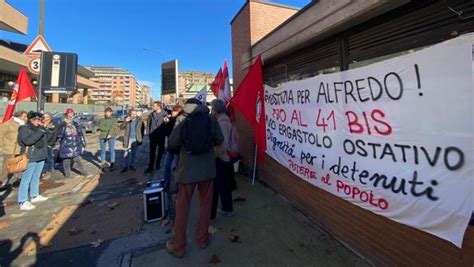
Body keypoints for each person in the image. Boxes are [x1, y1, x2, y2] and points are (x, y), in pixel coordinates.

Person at [166, 98, 224, 258]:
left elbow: (172, 144)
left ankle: (178, 245)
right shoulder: (210, 119)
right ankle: (203, 239)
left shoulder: (182, 119)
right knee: (205, 205)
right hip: (206, 170)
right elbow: (220, 140)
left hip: (187, 170)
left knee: (182, 207)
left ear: (187, 105)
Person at [17, 112, 52, 211]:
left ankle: (34, 195)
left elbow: (48, 140)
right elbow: (28, 141)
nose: (39, 121)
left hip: (40, 155)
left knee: (36, 177)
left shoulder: (39, 129)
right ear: (31, 120)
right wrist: (40, 131)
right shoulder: (24, 129)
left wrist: (47, 130)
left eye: (40, 120)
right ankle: (22, 200)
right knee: (26, 179)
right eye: (37, 120)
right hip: (30, 157)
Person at [210, 99, 234, 220]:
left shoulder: (222, 123)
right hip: (222, 158)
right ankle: (227, 208)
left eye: (212, 108)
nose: (211, 111)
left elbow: (222, 143)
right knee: (224, 185)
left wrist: (214, 155)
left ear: (217, 110)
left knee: (217, 187)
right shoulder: (221, 120)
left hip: (221, 158)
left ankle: (212, 214)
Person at [0, 111, 27, 190]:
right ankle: (2, 182)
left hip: (20, 148)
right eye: (24, 116)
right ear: (19, 116)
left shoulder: (23, 125)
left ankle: (15, 181)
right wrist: (2, 146)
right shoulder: (8, 124)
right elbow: (0, 135)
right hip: (9, 149)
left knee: (18, 166)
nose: (25, 118)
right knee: (6, 167)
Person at [163, 105, 183, 191]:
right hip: (171, 147)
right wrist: (166, 123)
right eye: (172, 111)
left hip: (178, 148)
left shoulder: (182, 121)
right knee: (167, 166)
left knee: (177, 167)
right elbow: (166, 133)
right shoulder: (171, 120)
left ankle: (178, 186)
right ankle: (166, 184)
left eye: (174, 111)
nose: (172, 112)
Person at [145, 101, 167, 173]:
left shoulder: (165, 114)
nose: (152, 107)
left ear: (158, 106)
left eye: (154, 106)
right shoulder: (151, 114)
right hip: (153, 136)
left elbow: (168, 125)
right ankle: (150, 166)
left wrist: (167, 123)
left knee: (160, 151)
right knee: (152, 152)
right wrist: (148, 133)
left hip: (161, 136)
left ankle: (158, 164)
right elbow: (148, 124)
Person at [120, 108, 144, 173]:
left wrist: (140, 138)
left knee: (134, 153)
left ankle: (132, 165)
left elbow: (142, 129)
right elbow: (121, 127)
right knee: (126, 153)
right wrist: (125, 121)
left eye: (135, 114)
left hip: (135, 139)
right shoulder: (127, 119)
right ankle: (125, 166)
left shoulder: (139, 120)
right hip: (128, 138)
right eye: (133, 114)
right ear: (130, 114)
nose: (134, 115)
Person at [41, 112, 59, 178]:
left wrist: (50, 143)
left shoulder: (53, 124)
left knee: (49, 157)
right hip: (41, 144)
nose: (44, 118)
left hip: (48, 144)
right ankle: (43, 171)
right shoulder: (41, 123)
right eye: (43, 117)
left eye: (46, 117)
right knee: (42, 158)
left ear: (49, 118)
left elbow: (54, 135)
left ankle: (48, 170)